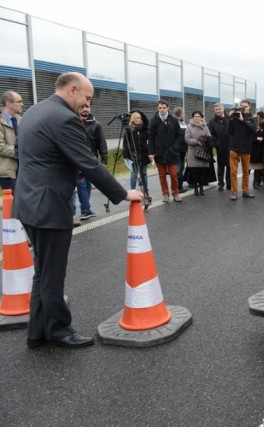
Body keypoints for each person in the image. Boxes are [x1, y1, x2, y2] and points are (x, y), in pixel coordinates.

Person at [12, 72, 143, 349]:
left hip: (28, 203)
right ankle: (59, 330)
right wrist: (122, 193)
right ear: (72, 90)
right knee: (52, 273)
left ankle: (37, 332)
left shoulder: (34, 112)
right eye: (87, 97)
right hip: (48, 206)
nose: (87, 103)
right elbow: (90, 163)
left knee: (43, 271)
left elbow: (37, 157)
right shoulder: (64, 119)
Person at [75, 104, 108, 221]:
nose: (85, 109)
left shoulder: (96, 125)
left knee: (87, 185)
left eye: (87, 107)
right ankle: (84, 210)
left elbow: (102, 145)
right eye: (82, 107)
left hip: (91, 161)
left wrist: (103, 162)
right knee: (81, 184)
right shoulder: (72, 122)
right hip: (76, 160)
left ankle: (87, 209)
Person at [148, 99, 182, 202]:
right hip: (159, 153)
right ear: (157, 108)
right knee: (162, 176)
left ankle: (175, 193)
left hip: (171, 153)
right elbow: (151, 137)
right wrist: (151, 152)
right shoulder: (154, 120)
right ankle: (165, 194)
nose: (162, 110)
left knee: (173, 175)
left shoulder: (174, 120)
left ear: (167, 108)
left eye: (164, 108)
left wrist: (175, 148)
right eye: (160, 108)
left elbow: (179, 135)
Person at [227, 98, 257, 200]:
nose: (244, 108)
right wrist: (231, 118)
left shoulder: (252, 118)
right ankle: (234, 192)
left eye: (246, 106)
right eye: (242, 106)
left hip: (246, 147)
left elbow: (253, 130)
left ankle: (245, 191)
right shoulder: (235, 116)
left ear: (249, 107)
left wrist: (243, 120)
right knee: (233, 172)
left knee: (246, 171)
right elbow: (229, 131)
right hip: (234, 147)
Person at [185, 110, 214, 196]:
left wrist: (204, 141)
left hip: (203, 152)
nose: (197, 118)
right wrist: (196, 141)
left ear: (201, 117)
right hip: (193, 152)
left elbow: (209, 137)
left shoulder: (205, 126)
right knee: (194, 172)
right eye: (195, 116)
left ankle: (201, 188)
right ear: (193, 118)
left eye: (198, 116)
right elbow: (187, 139)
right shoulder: (189, 127)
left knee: (202, 172)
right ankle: (196, 189)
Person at [123, 110, 151, 200]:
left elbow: (146, 120)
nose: (138, 119)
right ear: (133, 119)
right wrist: (126, 155)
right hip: (133, 155)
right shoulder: (129, 130)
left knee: (144, 174)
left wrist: (138, 111)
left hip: (144, 155)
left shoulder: (144, 128)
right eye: (136, 118)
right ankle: (132, 192)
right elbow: (125, 143)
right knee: (134, 174)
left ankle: (145, 191)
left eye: (139, 118)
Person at [0, 90, 23, 191]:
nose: (22, 104)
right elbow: (1, 147)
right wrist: (21, 151)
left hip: (22, 171)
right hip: (7, 173)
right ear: (9, 104)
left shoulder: (22, 120)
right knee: (11, 204)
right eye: (19, 101)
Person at [207, 103, 231, 191]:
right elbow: (211, 135)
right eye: (216, 109)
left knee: (230, 166)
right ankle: (221, 183)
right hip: (220, 147)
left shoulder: (230, 118)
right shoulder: (212, 121)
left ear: (223, 109)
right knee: (220, 166)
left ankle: (229, 184)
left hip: (230, 146)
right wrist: (217, 143)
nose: (218, 111)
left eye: (219, 109)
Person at [173, 107, 189, 193]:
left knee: (182, 167)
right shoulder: (174, 122)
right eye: (183, 113)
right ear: (180, 114)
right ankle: (178, 187)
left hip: (183, 149)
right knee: (178, 169)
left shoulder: (183, 123)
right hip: (177, 150)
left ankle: (179, 186)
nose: (184, 115)